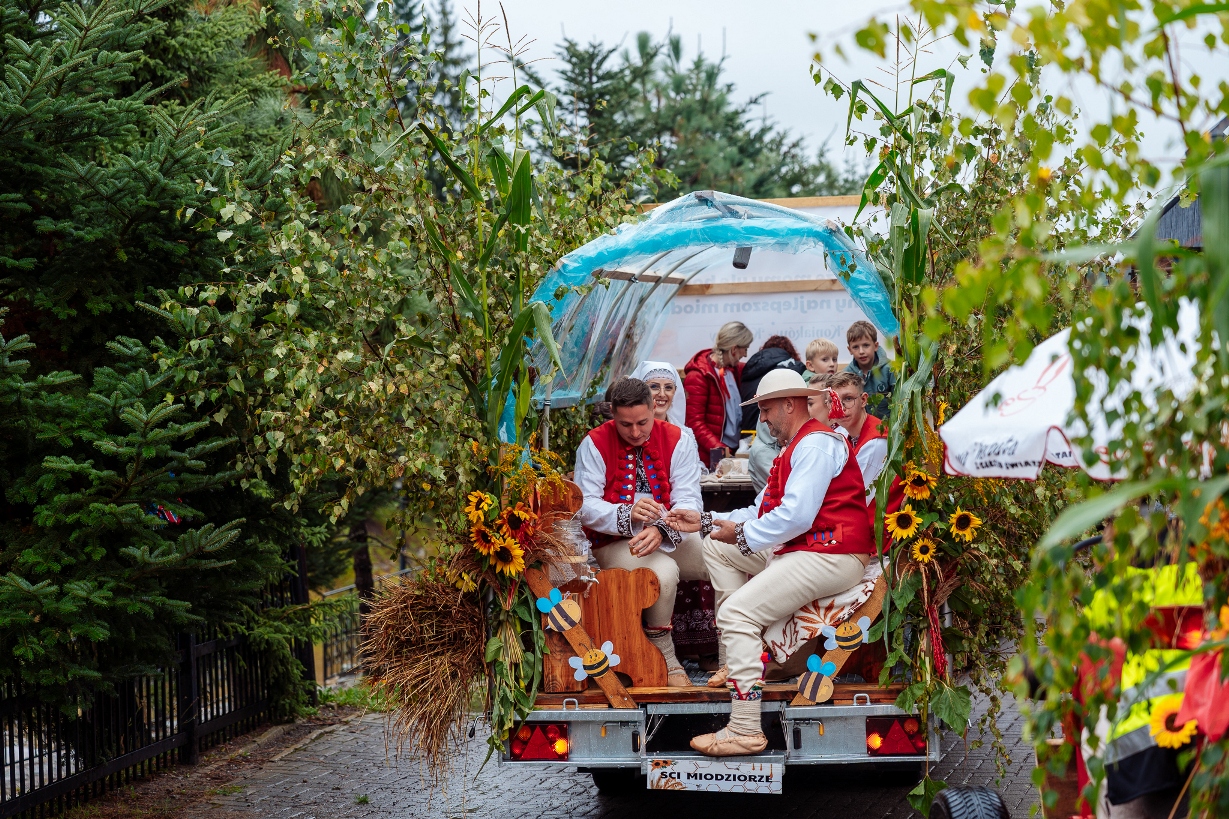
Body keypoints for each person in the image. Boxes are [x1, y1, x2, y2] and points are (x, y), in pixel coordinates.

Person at [665, 369, 875, 756]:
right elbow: (761, 512)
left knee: (737, 613)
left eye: (764, 410)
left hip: (831, 553)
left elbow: (796, 516)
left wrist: (743, 534)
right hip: (812, 547)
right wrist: (707, 522)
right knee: (715, 547)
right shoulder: (797, 446)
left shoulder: (816, 444)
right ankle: (735, 660)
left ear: (788, 405)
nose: (761, 419)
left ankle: (745, 728)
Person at [574, 377, 708, 687]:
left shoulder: (678, 438)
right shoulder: (594, 443)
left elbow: (689, 499)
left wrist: (661, 528)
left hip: (668, 530)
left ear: (653, 409)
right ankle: (664, 655)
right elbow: (585, 505)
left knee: (719, 559)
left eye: (642, 423)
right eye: (625, 424)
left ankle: (730, 651)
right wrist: (626, 513)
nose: (635, 432)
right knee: (662, 573)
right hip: (613, 540)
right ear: (612, 414)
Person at [684, 321, 753, 469]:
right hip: (710, 457)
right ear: (734, 349)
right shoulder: (698, 375)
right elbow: (694, 423)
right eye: (745, 349)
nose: (745, 354)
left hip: (731, 451)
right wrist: (721, 450)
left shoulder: (733, 370)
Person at [829, 371, 888, 500]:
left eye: (848, 399)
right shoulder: (845, 432)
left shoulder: (875, 442)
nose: (841, 408)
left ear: (863, 400)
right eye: (834, 401)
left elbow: (852, 496)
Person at [738, 335, 805, 431]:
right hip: (776, 432)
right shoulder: (795, 367)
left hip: (746, 433)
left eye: (766, 410)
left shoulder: (749, 368)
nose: (762, 418)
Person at [844, 320, 896, 419]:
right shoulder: (846, 375)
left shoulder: (890, 370)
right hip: (859, 427)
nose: (861, 351)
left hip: (887, 426)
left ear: (875, 346)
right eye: (855, 347)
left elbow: (899, 404)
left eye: (866, 345)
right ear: (849, 350)